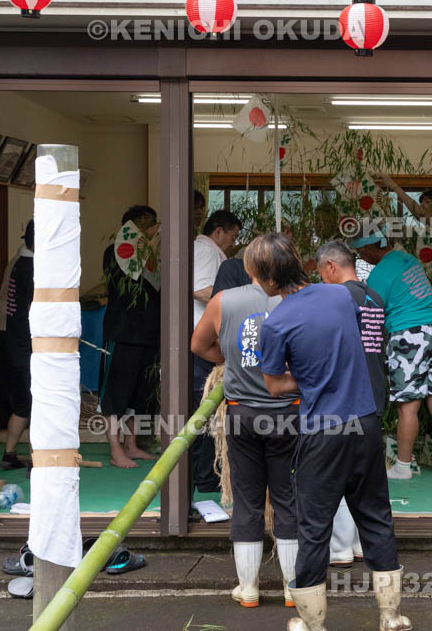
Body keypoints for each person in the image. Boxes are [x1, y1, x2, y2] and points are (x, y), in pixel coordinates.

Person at [253, 233, 410, 631]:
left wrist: (307, 379)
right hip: (366, 424)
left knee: (314, 527)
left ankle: (311, 622)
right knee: (376, 517)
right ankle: (390, 616)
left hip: (322, 434)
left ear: (269, 280)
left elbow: (275, 386)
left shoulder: (276, 323)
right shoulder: (341, 296)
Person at [191, 250, 299, 609]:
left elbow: (197, 345)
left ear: (249, 267)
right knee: (288, 496)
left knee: (248, 499)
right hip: (289, 413)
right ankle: (292, 588)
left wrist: (229, 359)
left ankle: (249, 588)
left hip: (243, 414)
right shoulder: (299, 298)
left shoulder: (224, 300)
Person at [350, 227, 432, 481]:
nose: (361, 257)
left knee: (408, 407)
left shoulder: (378, 276)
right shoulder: (408, 259)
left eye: (361, 252)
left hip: (409, 334)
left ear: (369, 247)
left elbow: (373, 314)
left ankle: (403, 467)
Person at [316, 240, 387, 567]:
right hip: (374, 392)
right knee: (366, 477)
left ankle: (341, 548)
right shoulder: (373, 295)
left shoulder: (337, 296)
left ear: (331, 266)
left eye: (320, 272)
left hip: (346, 395)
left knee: (338, 473)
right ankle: (360, 543)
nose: (321, 280)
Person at [101, 207, 161, 469]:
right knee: (116, 395)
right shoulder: (115, 251)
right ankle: (116, 450)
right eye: (151, 225)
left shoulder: (152, 253)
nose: (155, 230)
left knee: (141, 394)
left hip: (149, 334)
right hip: (122, 333)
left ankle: (131, 444)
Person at [192, 209, 243, 492]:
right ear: (219, 231)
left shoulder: (209, 251)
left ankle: (207, 472)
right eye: (232, 236)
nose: (233, 242)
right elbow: (199, 289)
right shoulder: (206, 250)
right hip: (204, 339)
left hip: (209, 337)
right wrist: (241, 299)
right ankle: (205, 475)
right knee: (206, 408)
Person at [0, 221, 34, 470]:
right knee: (36, 404)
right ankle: (37, 462)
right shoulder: (31, 268)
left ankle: (10, 455)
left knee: (23, 403)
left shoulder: (17, 260)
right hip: (24, 343)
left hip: (10, 340)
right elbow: (34, 311)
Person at [376, 174, 432, 256]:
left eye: (427, 202)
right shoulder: (421, 234)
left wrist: (393, 185)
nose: (421, 205)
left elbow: (420, 215)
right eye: (421, 202)